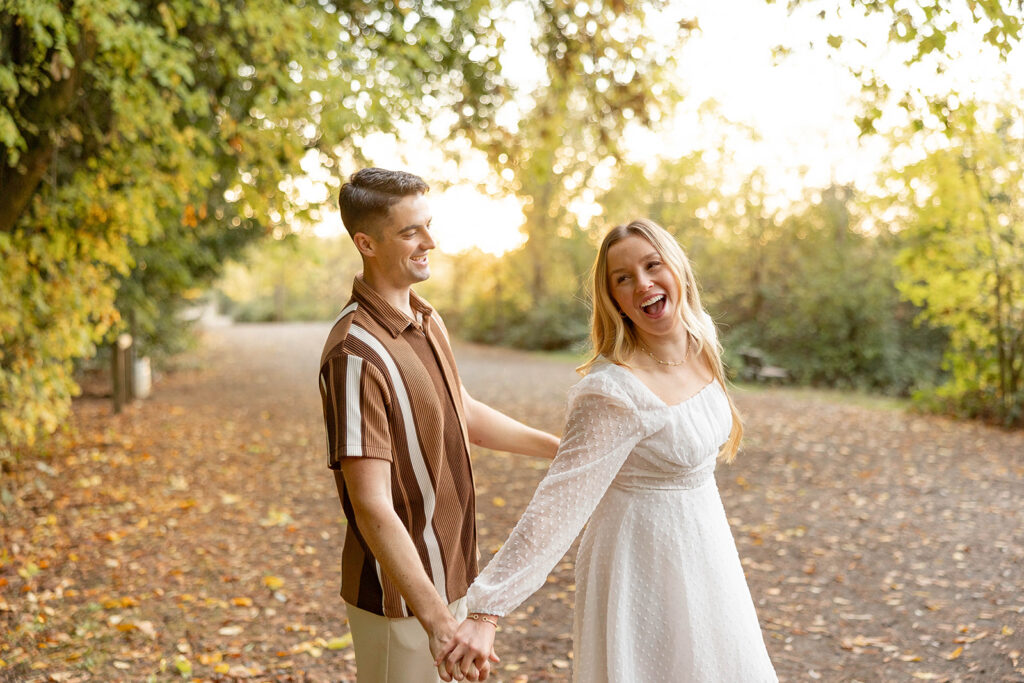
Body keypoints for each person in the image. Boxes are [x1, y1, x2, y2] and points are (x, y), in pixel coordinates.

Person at [438, 219, 777, 682]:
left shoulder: (699, 342)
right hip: (640, 560)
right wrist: (486, 611)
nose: (643, 283)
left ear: (677, 268)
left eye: (652, 265)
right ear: (612, 297)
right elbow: (558, 504)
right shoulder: (611, 391)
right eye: (623, 278)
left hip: (705, 545)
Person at [318, 167, 559, 683]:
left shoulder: (427, 320)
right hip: (400, 602)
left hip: (455, 578)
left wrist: (560, 450)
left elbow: (462, 412)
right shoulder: (354, 353)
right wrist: (436, 619)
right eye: (411, 231)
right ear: (366, 242)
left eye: (428, 225)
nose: (430, 240)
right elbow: (371, 503)